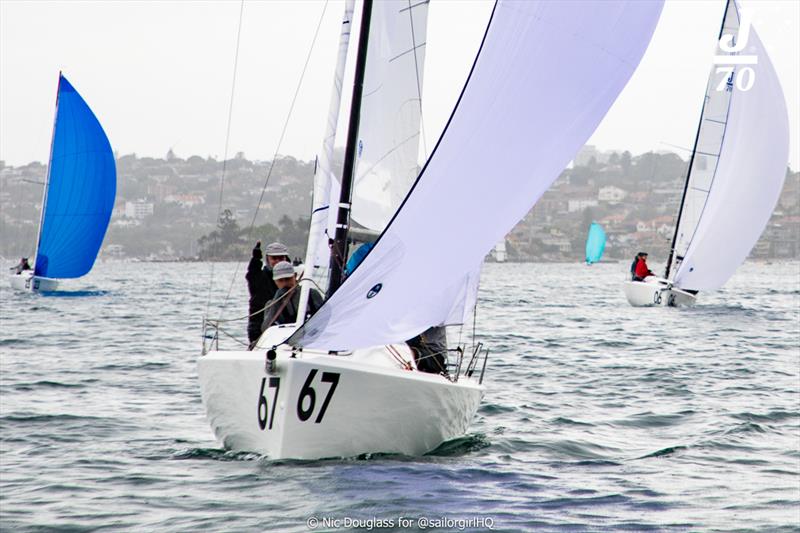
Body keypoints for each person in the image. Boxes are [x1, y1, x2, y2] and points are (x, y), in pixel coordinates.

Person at [246, 241, 290, 348]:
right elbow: (251, 274)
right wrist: (255, 259)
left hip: (285, 327)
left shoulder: (292, 279)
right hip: (259, 326)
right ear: (268, 260)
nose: (277, 261)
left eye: (281, 258)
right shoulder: (259, 277)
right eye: (274, 258)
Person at [262, 261, 324, 329]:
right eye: (280, 280)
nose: (285, 283)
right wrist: (277, 301)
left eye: (288, 279)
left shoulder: (311, 294)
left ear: (294, 276)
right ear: (275, 281)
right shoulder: (271, 304)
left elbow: (325, 318)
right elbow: (265, 329)